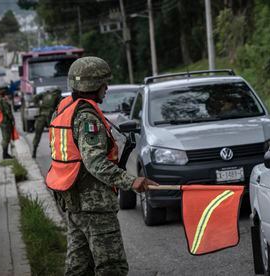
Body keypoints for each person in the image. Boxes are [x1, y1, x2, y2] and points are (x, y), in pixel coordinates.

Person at [45, 56, 159, 276]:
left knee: (78, 269)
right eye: (104, 82)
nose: (106, 87)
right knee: (111, 268)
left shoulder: (63, 110)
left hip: (73, 203)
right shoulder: (87, 119)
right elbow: (95, 162)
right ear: (92, 85)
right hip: (94, 207)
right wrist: (131, 181)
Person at [32, 87, 62, 158]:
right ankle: (53, 152)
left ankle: (34, 151)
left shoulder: (45, 94)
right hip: (50, 117)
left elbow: (34, 98)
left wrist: (39, 106)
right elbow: (61, 105)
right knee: (53, 135)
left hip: (41, 116)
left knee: (37, 134)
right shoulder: (57, 95)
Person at [0, 85, 15, 159]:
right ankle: (5, 155)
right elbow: (7, 111)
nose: (6, 92)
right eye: (5, 91)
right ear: (2, 92)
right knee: (6, 138)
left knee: (4, 137)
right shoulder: (2, 100)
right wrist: (12, 119)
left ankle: (5, 154)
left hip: (1, 120)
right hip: (5, 121)